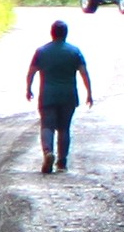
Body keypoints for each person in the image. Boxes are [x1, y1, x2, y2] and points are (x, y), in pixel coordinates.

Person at [25, 17, 95, 173]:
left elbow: (31, 72)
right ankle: (62, 162)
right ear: (66, 34)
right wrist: (89, 93)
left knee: (47, 126)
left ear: (52, 33)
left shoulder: (41, 51)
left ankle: (48, 152)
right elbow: (84, 73)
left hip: (48, 96)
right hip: (68, 96)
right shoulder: (74, 51)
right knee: (64, 128)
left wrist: (28, 88)